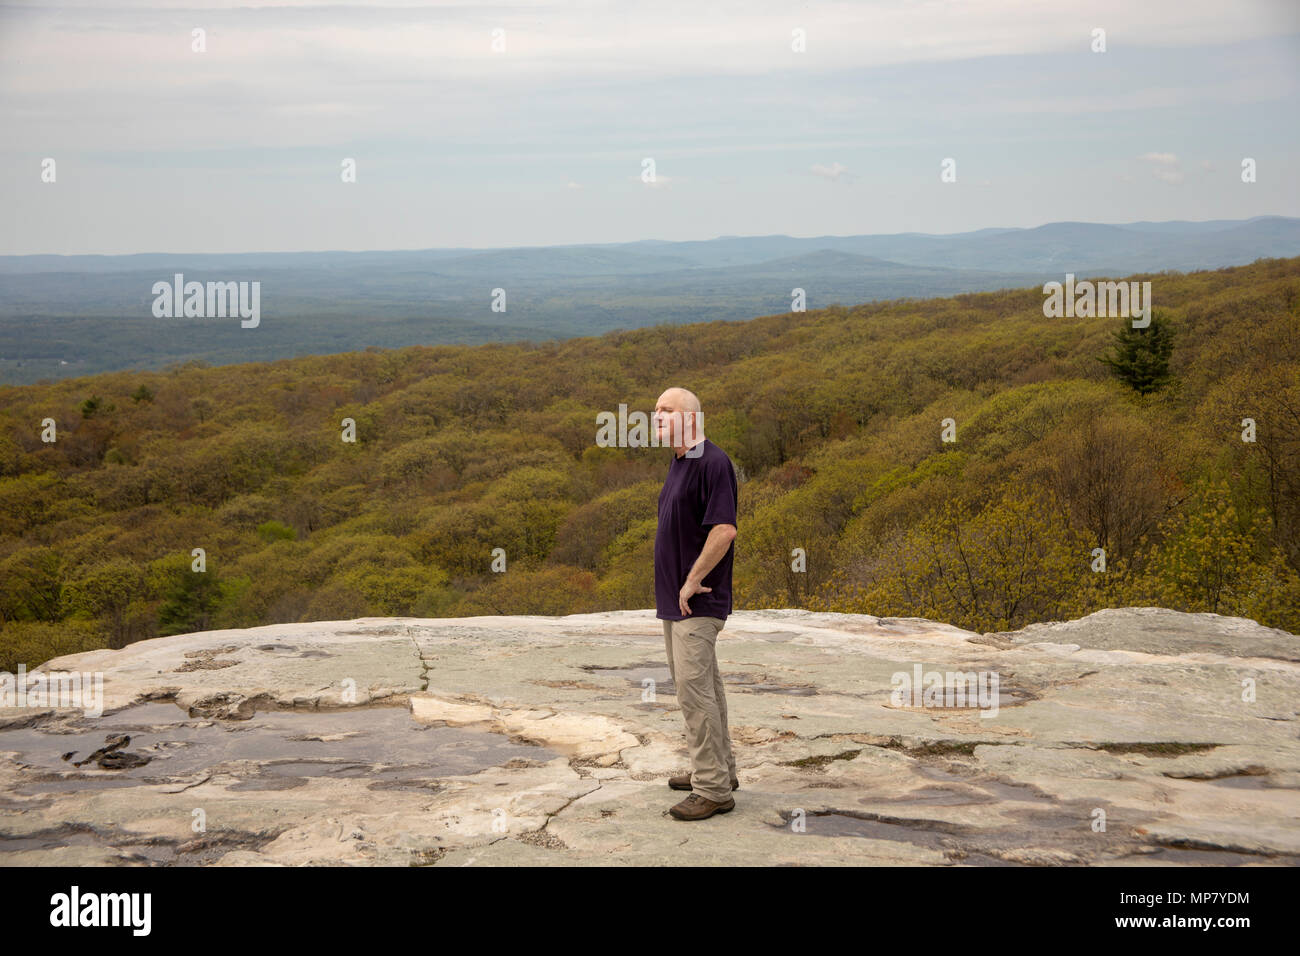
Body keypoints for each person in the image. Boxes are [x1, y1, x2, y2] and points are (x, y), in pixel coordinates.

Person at [652, 387, 740, 821]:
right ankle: (718, 771)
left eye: (665, 411)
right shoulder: (680, 462)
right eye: (655, 412)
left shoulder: (712, 462)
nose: (656, 418)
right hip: (676, 602)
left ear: (690, 417)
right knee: (706, 688)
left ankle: (712, 790)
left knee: (694, 693)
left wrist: (692, 580)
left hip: (697, 602)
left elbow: (724, 530)